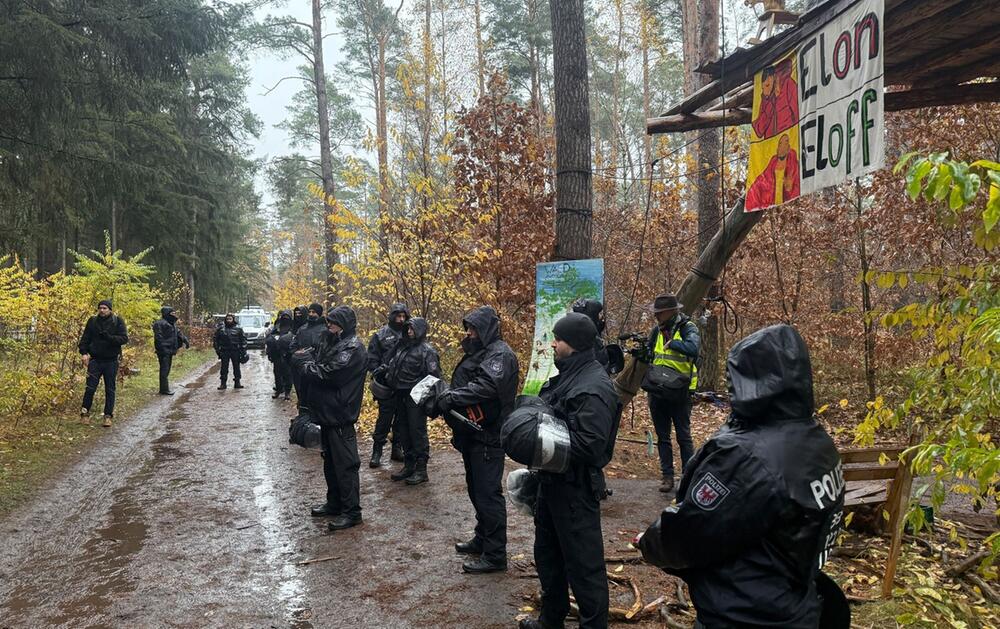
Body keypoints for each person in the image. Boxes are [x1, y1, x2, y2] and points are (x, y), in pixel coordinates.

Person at [637, 324, 846, 629]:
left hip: (745, 614)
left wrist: (649, 543)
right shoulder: (817, 442)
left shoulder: (746, 458)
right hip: (796, 605)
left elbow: (689, 533)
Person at [520, 313, 621, 629]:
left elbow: (590, 445)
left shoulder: (594, 386)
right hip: (551, 484)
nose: (553, 343)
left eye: (558, 339)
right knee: (548, 557)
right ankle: (551, 620)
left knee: (584, 568)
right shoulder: (568, 375)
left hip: (576, 490)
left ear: (574, 344)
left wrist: (543, 441)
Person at [436, 306, 518, 574]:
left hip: (488, 435)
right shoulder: (481, 351)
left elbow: (487, 386)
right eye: (467, 329)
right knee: (475, 489)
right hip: (472, 432)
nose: (469, 333)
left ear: (486, 329)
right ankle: (483, 538)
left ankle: (495, 554)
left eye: (473, 329)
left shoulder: (500, 354)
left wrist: (453, 398)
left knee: (487, 494)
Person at [292, 306, 368, 531]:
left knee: (346, 465)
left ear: (344, 325)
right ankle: (335, 503)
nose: (329, 326)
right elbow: (318, 359)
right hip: (327, 413)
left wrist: (306, 367)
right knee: (330, 462)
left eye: (333, 323)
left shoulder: (353, 348)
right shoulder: (334, 342)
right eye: (329, 323)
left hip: (340, 414)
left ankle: (352, 511)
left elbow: (330, 373)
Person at [644, 293, 700, 493]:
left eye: (659, 313)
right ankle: (667, 477)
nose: (656, 316)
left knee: (684, 437)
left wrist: (673, 343)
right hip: (658, 391)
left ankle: (687, 477)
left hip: (680, 392)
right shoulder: (655, 331)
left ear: (671, 311)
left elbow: (694, 349)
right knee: (663, 437)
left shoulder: (688, 328)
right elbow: (651, 355)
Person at [384, 317, 441, 485]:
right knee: (402, 430)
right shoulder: (403, 348)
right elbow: (394, 367)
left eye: (412, 329)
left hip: (415, 398)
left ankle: (421, 469)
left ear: (421, 330)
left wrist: (418, 396)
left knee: (417, 432)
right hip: (400, 395)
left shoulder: (427, 351)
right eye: (407, 329)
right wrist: (386, 374)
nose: (409, 332)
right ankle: (409, 465)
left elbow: (433, 377)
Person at [367, 303, 410, 467]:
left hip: (404, 384)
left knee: (400, 419)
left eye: (403, 316)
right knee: (384, 419)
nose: (401, 319)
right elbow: (372, 358)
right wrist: (378, 371)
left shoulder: (410, 333)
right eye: (398, 316)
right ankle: (377, 451)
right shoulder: (381, 335)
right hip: (386, 385)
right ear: (392, 316)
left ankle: (396, 449)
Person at [78, 299, 129, 427]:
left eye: (105, 308)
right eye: (100, 308)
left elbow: (124, 339)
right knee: (90, 388)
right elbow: (85, 338)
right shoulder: (92, 321)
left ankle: (108, 416)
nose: (102, 310)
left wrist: (109, 337)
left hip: (111, 361)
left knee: (110, 389)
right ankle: (84, 414)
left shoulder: (117, 321)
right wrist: (84, 353)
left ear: (110, 309)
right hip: (95, 360)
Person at [746, 133, 800, 210]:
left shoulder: (793, 165)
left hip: (786, 208)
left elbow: (797, 187)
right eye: (780, 143)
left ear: (789, 147)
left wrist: (789, 189)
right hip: (770, 208)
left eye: (786, 142)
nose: (782, 146)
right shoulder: (772, 165)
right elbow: (759, 182)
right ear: (777, 148)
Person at [289, 303, 327, 410]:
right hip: (300, 367)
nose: (311, 314)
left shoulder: (325, 330)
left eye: (314, 312)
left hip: (317, 367)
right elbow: (293, 345)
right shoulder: (302, 329)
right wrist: (297, 352)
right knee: (301, 393)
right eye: (310, 312)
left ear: (319, 314)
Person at [152, 306, 190, 395]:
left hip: (170, 350)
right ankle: (164, 389)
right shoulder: (159, 324)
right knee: (164, 370)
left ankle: (164, 388)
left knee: (166, 369)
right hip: (164, 351)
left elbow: (179, 334)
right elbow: (158, 338)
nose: (174, 314)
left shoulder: (172, 323)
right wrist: (163, 349)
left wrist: (185, 341)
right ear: (167, 313)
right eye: (172, 313)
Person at [572, 298, 611, 372]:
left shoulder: (579, 333)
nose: (602, 317)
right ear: (592, 315)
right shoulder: (590, 339)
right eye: (599, 313)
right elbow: (600, 364)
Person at [213, 313, 247, 390]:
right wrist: (218, 351)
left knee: (236, 367)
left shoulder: (238, 329)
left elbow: (243, 340)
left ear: (233, 320)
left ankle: (237, 382)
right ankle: (223, 383)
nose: (229, 320)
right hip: (225, 351)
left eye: (230, 319)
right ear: (225, 320)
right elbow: (215, 340)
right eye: (227, 319)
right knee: (224, 367)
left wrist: (243, 351)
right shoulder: (221, 329)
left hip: (235, 351)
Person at [266, 309, 294, 400]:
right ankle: (278, 390)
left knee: (288, 374)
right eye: (283, 316)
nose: (285, 318)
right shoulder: (277, 325)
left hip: (287, 355)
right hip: (277, 354)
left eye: (287, 317)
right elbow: (270, 337)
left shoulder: (292, 326)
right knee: (277, 374)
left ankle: (287, 392)